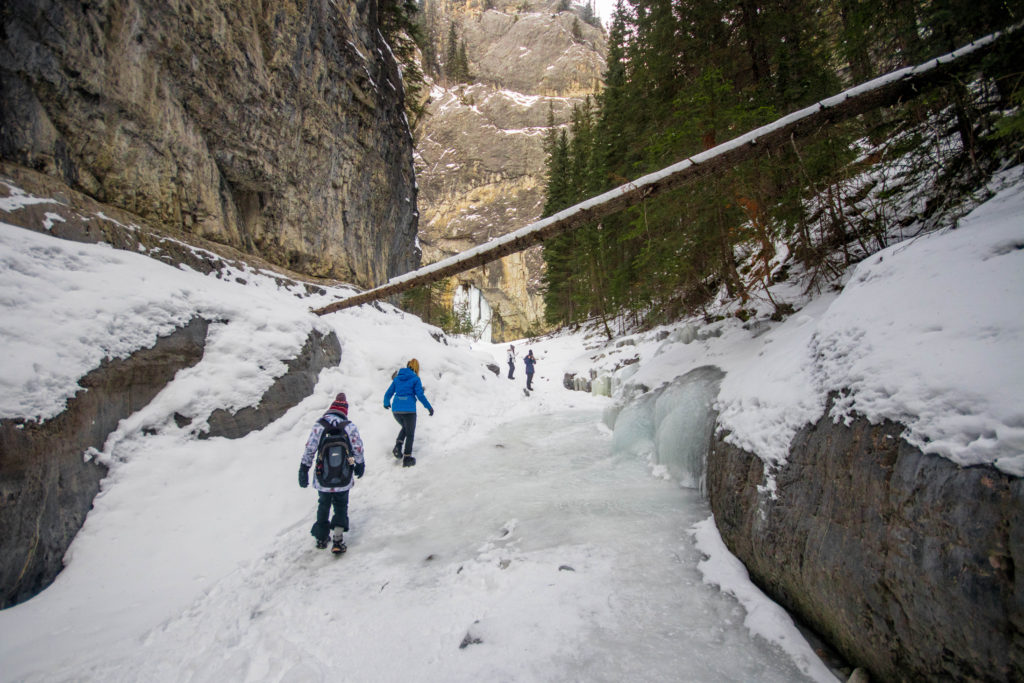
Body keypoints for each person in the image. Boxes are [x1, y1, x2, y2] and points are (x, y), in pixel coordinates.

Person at [298, 392, 365, 554]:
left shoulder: (319, 425)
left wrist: (304, 469)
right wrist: (360, 464)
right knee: (341, 504)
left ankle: (321, 538)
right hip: (343, 475)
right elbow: (357, 447)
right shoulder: (349, 426)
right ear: (344, 411)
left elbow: (310, 448)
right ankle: (338, 539)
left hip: (323, 476)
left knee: (323, 504)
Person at [383, 358, 434, 467]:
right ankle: (407, 457)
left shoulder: (397, 379)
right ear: (416, 368)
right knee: (410, 433)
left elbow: (388, 393)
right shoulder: (415, 379)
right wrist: (429, 407)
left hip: (396, 410)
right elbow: (420, 395)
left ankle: (398, 446)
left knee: (406, 428)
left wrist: (386, 403)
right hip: (409, 411)